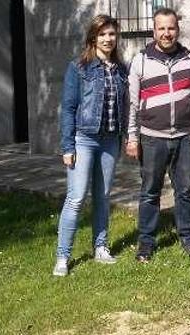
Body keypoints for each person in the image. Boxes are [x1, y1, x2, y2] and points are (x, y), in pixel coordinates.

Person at [125, 7, 190, 262]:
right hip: (151, 138)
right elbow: (131, 103)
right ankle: (146, 245)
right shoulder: (141, 61)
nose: (167, 33)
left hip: (185, 137)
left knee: (184, 191)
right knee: (150, 192)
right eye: (161, 28)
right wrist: (132, 137)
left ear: (178, 29)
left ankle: (189, 240)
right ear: (154, 31)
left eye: (171, 28)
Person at [54, 14, 128, 276]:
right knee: (75, 198)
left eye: (112, 34)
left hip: (110, 141)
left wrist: (125, 136)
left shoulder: (121, 69)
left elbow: (125, 105)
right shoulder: (79, 68)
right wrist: (67, 147)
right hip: (83, 139)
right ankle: (63, 256)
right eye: (103, 34)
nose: (108, 39)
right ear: (93, 37)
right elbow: (69, 109)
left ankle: (100, 247)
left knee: (103, 197)